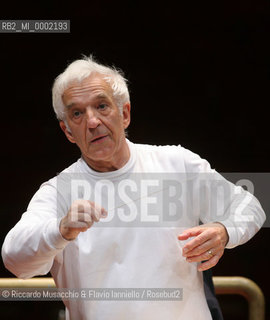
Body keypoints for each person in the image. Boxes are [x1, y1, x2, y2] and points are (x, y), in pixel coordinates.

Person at [2, 56, 265, 320]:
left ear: (124, 113)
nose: (92, 122)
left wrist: (224, 231)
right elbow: (14, 259)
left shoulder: (177, 163)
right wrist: (60, 230)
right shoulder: (58, 191)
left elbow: (252, 206)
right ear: (68, 131)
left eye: (102, 106)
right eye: (77, 114)